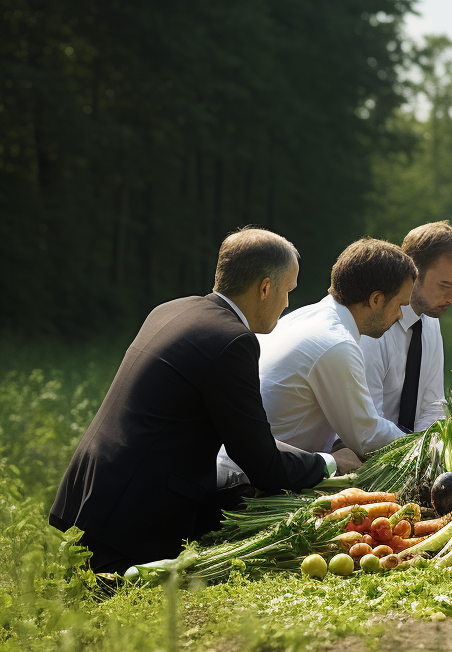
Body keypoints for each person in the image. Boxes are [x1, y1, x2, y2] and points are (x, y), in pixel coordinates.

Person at [48, 228, 338, 573]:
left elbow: (246, 439)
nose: (288, 302)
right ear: (265, 288)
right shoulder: (233, 341)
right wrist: (328, 464)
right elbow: (263, 466)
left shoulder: (172, 310)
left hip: (90, 494)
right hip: (129, 522)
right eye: (288, 290)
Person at [258, 238, 418, 464]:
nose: (401, 315)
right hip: (265, 480)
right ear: (376, 299)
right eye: (400, 305)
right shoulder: (335, 344)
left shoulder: (304, 318)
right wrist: (424, 447)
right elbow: (367, 435)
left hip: (261, 463)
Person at [360, 222, 452, 432]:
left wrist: (425, 451)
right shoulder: (372, 326)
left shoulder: (430, 322)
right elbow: (368, 422)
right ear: (412, 274)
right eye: (445, 286)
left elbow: (433, 404)